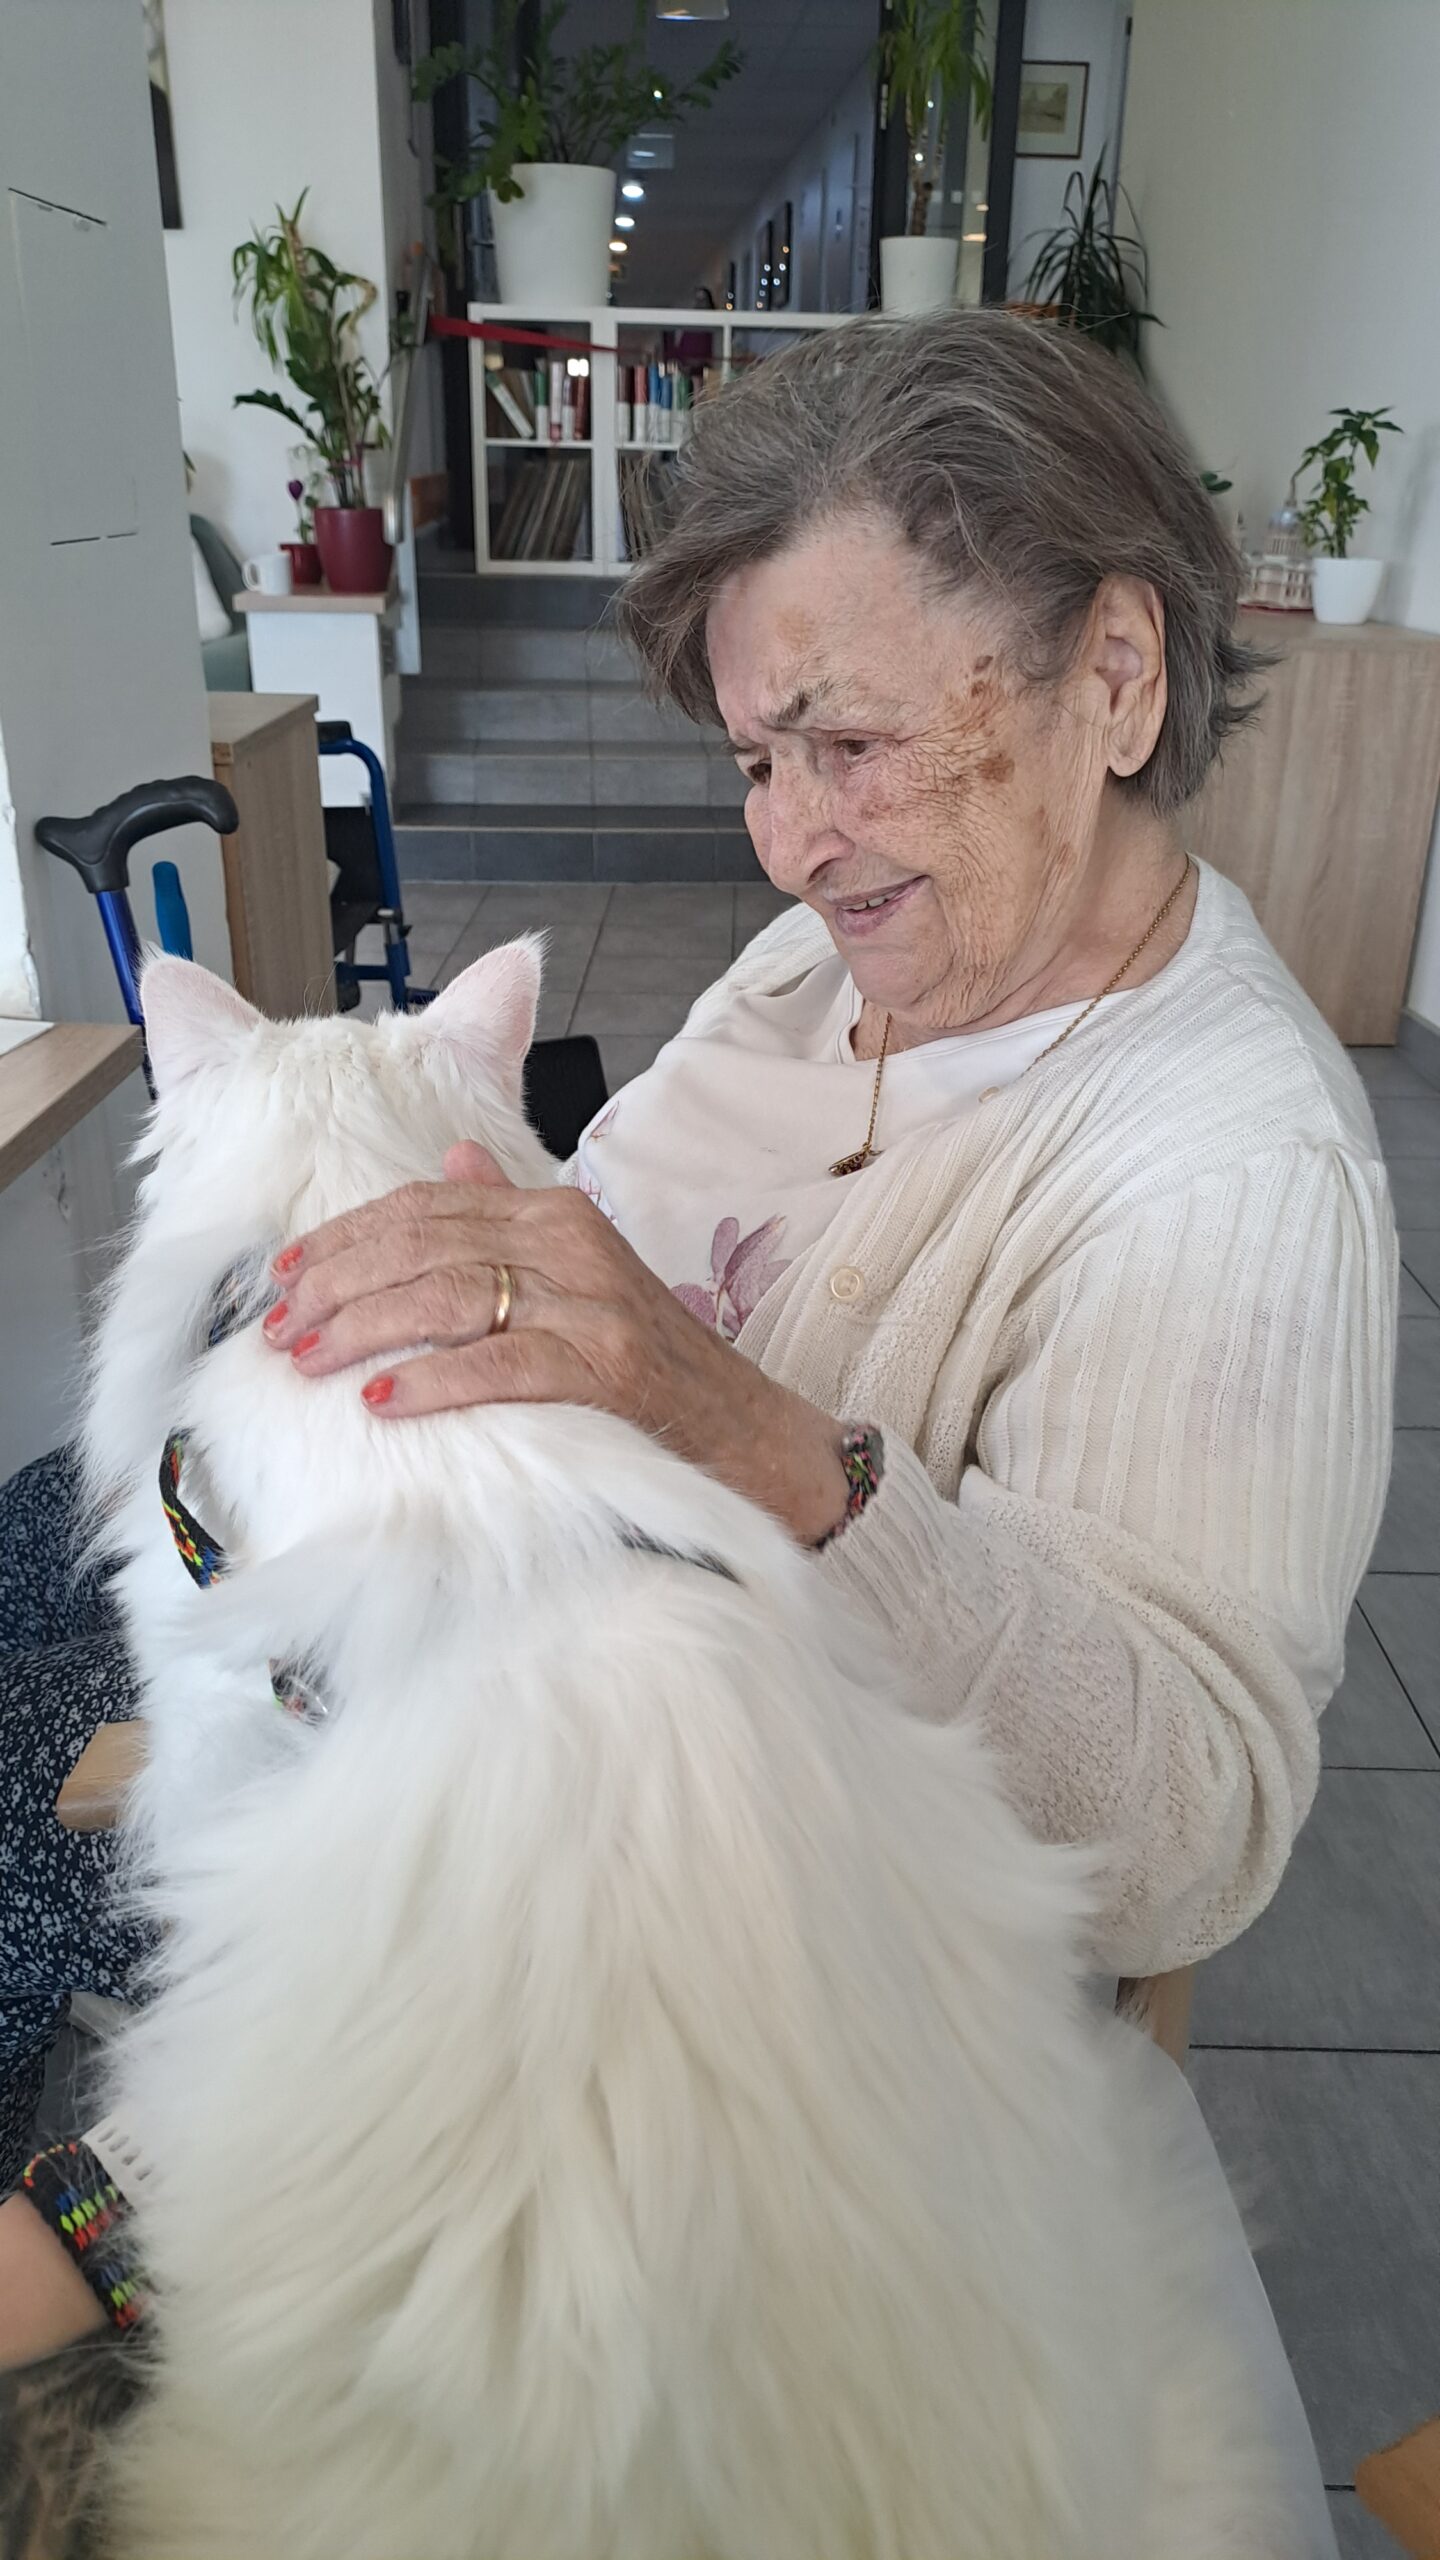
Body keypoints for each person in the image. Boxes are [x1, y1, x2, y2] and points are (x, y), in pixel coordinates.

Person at [1, 312, 1391, 2553]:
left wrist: (757, 1438)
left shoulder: (1223, 1170)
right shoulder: (823, 969)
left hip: (758, 2037)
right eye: (757, 758)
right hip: (482, 1829)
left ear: (1118, 675)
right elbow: (564, 1280)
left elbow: (1184, 1831)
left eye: (846, 739)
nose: (791, 839)